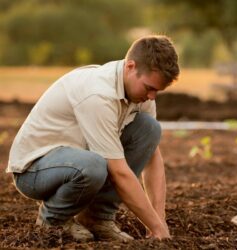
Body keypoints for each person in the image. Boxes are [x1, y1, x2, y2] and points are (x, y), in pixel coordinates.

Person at [6, 35, 180, 242]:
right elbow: (118, 172)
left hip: (76, 160)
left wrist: (159, 222)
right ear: (130, 66)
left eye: (157, 91)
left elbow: (152, 156)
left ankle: (97, 218)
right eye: (149, 88)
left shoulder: (140, 94)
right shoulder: (98, 94)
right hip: (33, 170)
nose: (152, 96)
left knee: (149, 129)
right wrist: (155, 226)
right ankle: (53, 221)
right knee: (94, 165)